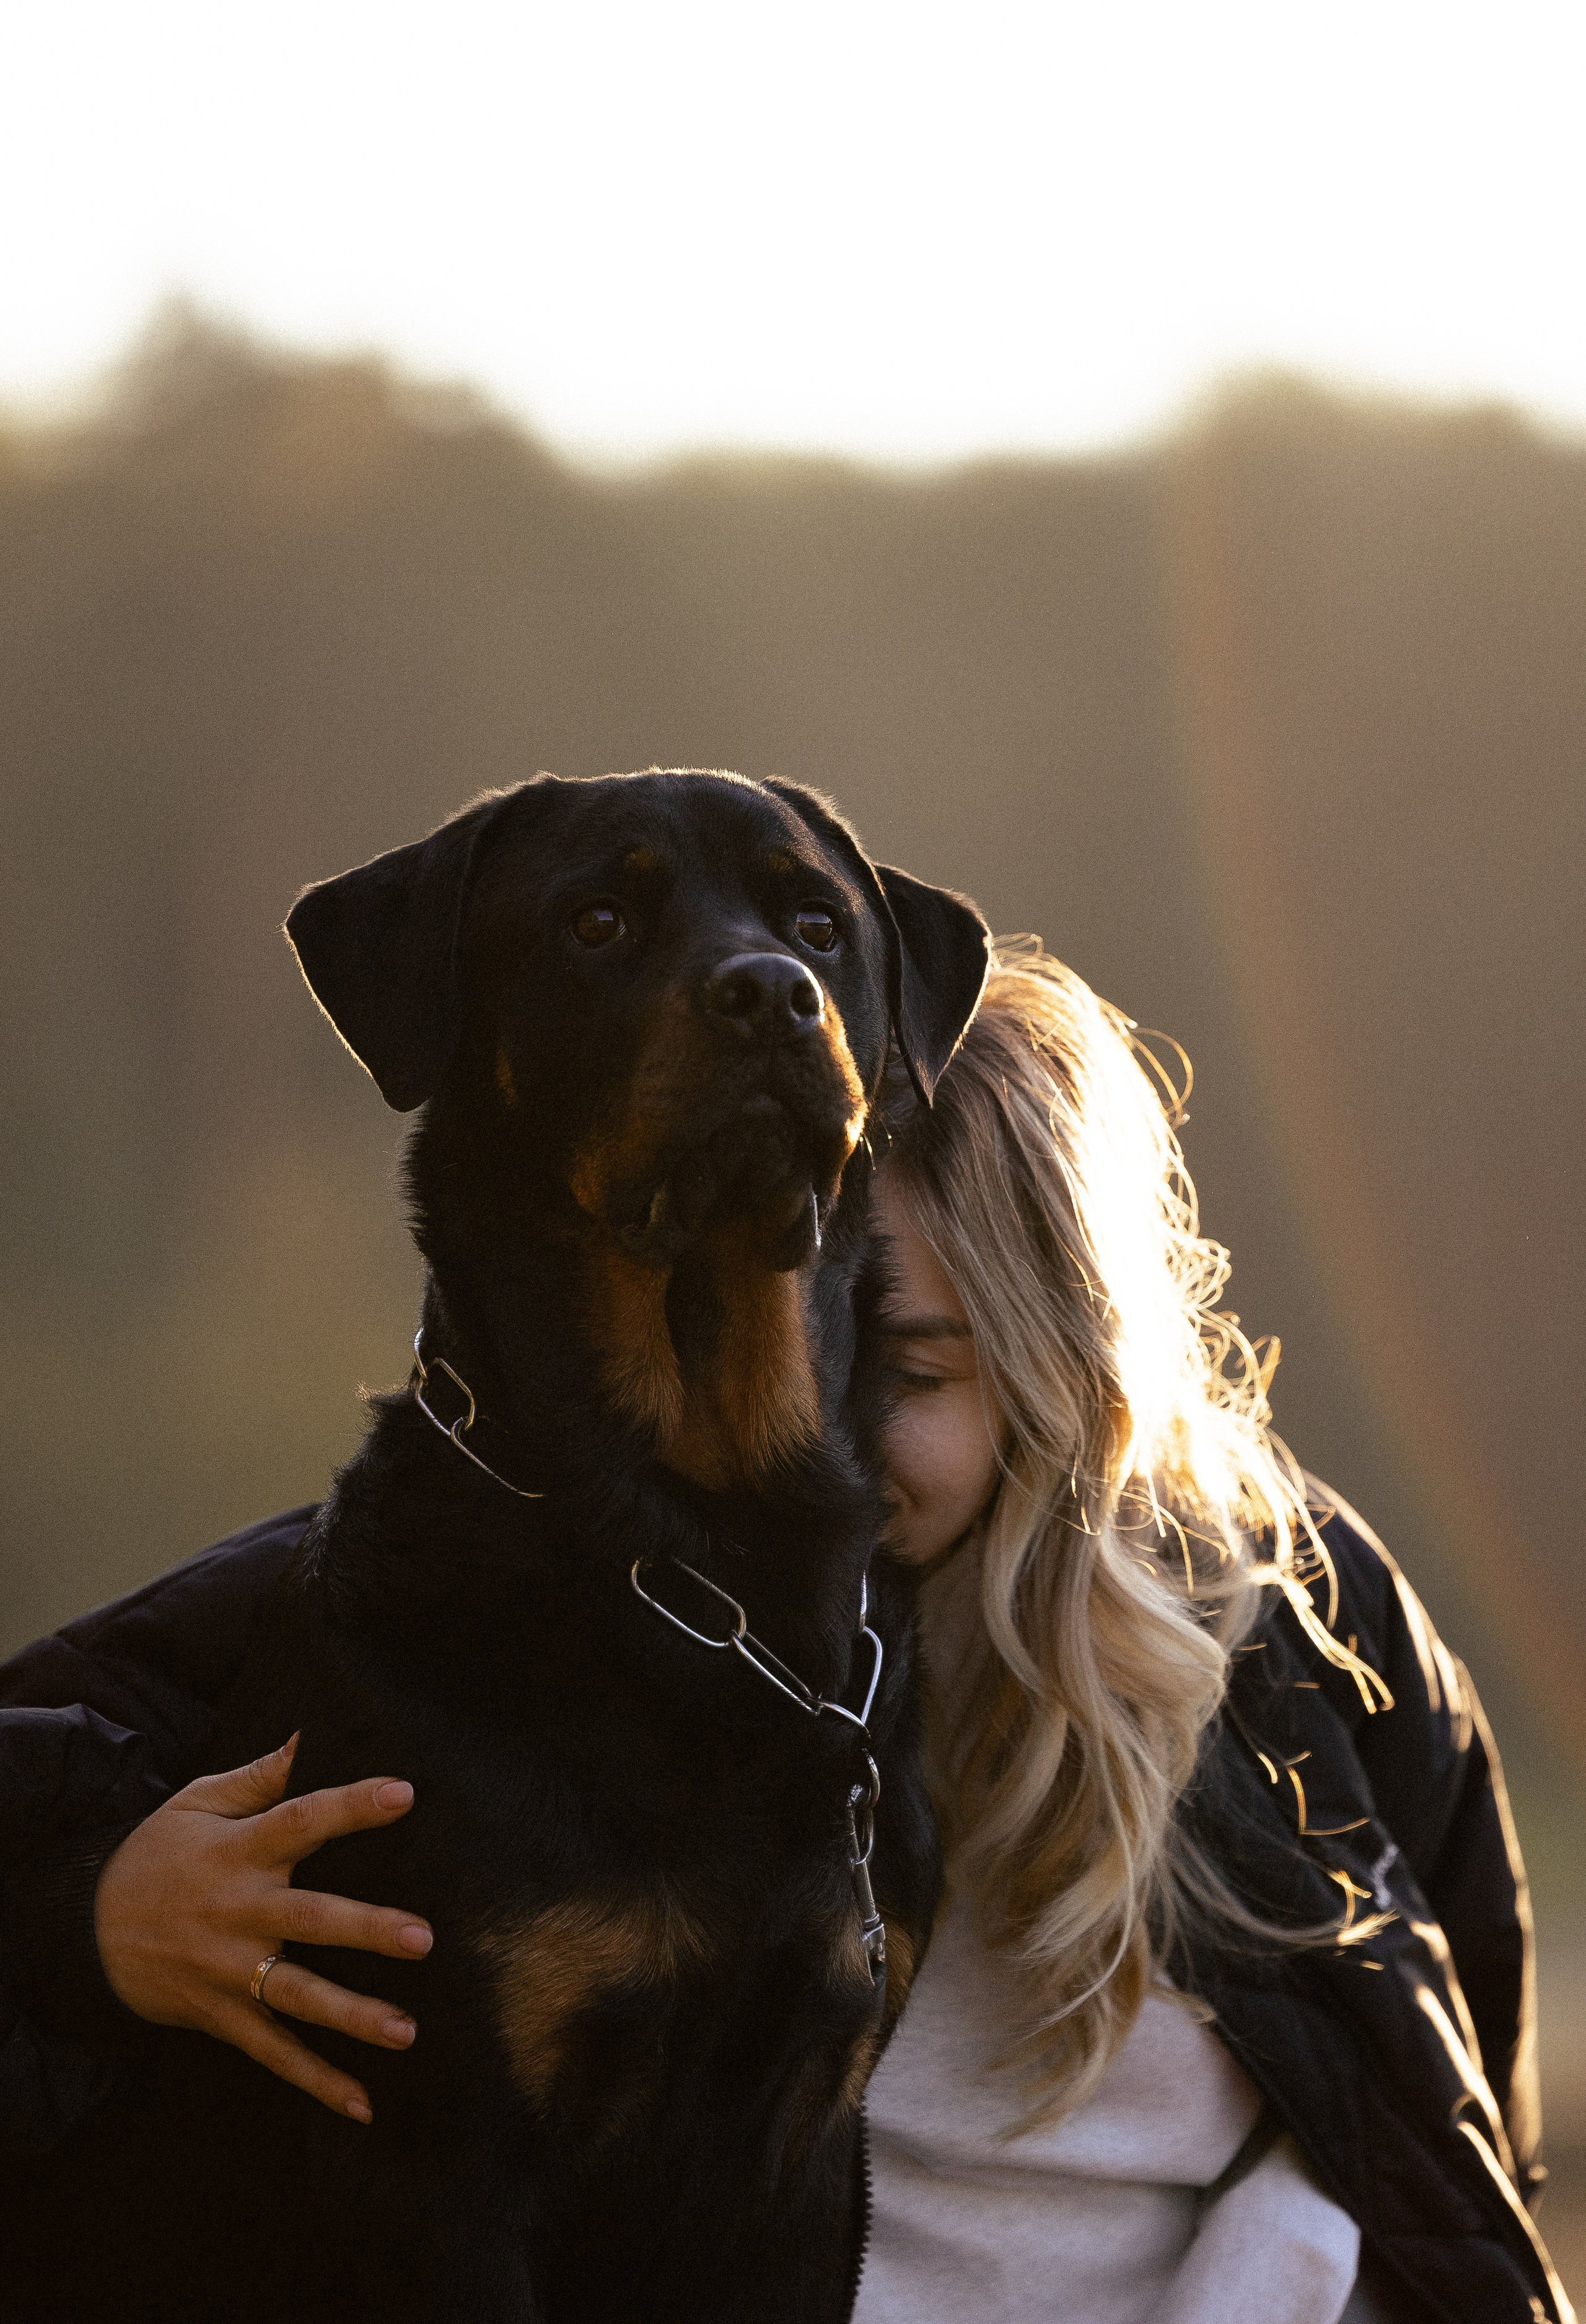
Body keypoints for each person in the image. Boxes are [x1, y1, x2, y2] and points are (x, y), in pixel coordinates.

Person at [0, 943, 1567, 2323]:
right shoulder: (496, 1590)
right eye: (792, 1343)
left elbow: (1452, 2026)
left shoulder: (1279, 1598)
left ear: (1058, 1376)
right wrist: (93, 1913)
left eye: (913, 1371)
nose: (822, 1433)